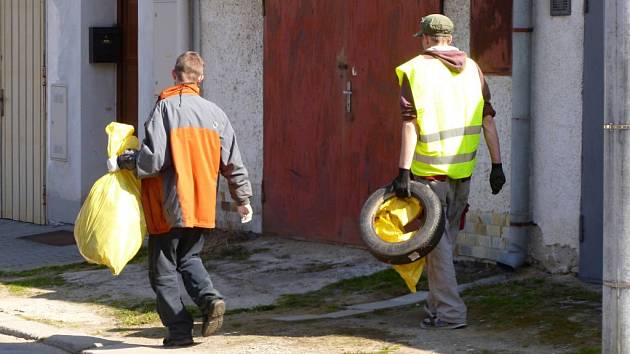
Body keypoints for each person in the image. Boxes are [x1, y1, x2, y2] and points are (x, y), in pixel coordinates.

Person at [108, 51, 253, 347]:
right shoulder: (216, 115)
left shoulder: (164, 109)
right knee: (189, 257)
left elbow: (152, 162)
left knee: (162, 272)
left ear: (174, 75)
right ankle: (210, 299)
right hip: (201, 205)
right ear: (200, 79)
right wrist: (243, 199)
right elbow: (233, 163)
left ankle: (179, 332)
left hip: (168, 205)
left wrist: (123, 161)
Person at [391, 14, 505, 330]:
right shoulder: (473, 70)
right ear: (450, 38)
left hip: (429, 174)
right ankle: (436, 307)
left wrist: (403, 170)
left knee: (436, 246)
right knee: (443, 243)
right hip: (462, 172)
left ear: (426, 39)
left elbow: (410, 123)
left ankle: (452, 313)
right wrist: (497, 166)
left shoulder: (414, 70)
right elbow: (488, 120)